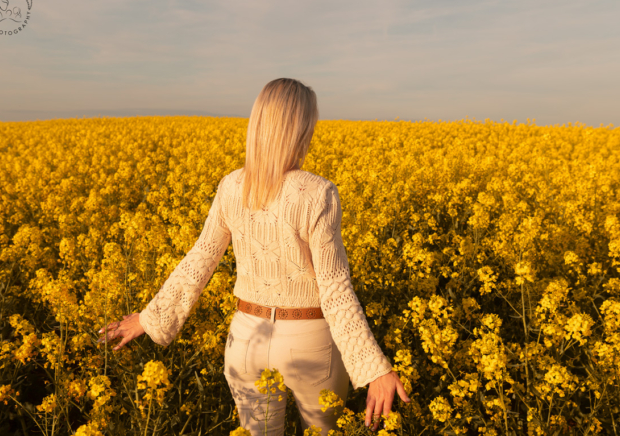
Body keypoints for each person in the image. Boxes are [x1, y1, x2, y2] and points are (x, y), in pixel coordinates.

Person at [97, 78, 409, 434]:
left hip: (246, 338)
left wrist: (150, 318)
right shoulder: (318, 193)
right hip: (309, 341)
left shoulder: (232, 185)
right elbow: (335, 287)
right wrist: (373, 368)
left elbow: (201, 258)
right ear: (301, 128)